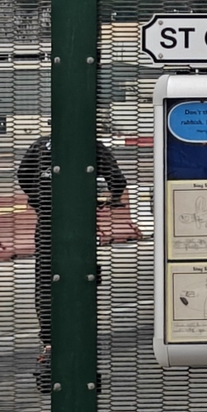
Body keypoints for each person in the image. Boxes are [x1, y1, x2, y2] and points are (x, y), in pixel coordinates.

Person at [17, 129, 131, 391]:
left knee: (46, 280)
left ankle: (50, 344)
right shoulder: (91, 143)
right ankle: (81, 339)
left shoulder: (40, 145)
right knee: (83, 278)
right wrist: (109, 198)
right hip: (80, 220)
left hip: (48, 218)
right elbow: (118, 180)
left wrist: (39, 199)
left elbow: (23, 176)